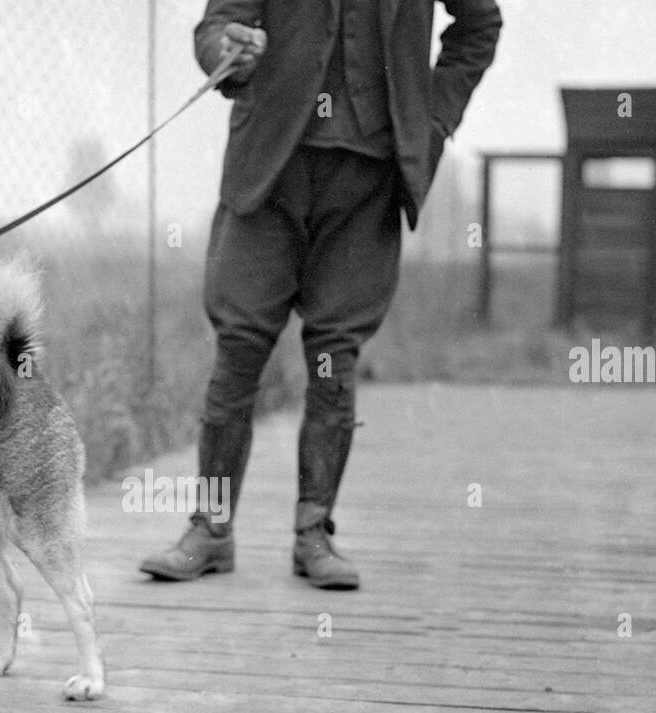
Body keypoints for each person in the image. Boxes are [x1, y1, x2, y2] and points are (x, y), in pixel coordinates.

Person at [140, 0, 502, 589]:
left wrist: (432, 119)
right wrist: (230, 51)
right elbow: (215, 27)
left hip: (368, 180)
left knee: (335, 357)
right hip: (268, 173)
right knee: (239, 349)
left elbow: (478, 24)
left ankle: (314, 532)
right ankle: (210, 529)